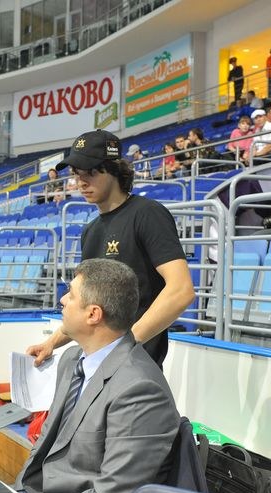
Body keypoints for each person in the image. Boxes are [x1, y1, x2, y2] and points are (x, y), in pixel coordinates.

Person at [15, 259, 180, 493]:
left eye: (70, 294)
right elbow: (44, 444)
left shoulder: (140, 390)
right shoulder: (71, 359)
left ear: (93, 314)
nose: (62, 299)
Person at [27, 130, 194, 368]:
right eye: (77, 173)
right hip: (98, 363)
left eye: (91, 172)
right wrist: (51, 343)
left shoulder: (147, 214)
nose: (81, 182)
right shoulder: (91, 230)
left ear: (114, 169)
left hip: (135, 365)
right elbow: (85, 303)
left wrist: (127, 344)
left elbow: (181, 290)